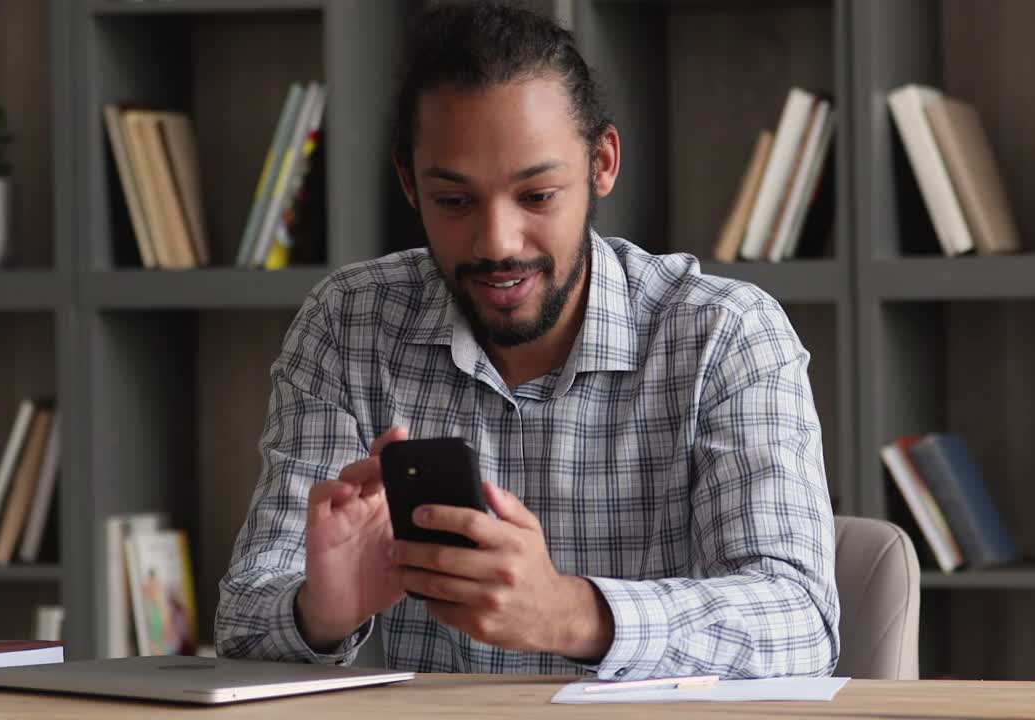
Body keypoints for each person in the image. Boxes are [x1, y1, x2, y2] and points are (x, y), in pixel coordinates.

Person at [216, 1, 839, 680]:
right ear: (409, 183)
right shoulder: (347, 324)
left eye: (537, 195)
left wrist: (571, 613)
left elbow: (799, 621)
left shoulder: (725, 336)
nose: (496, 243)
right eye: (454, 202)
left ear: (601, 163)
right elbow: (246, 620)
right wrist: (320, 612)